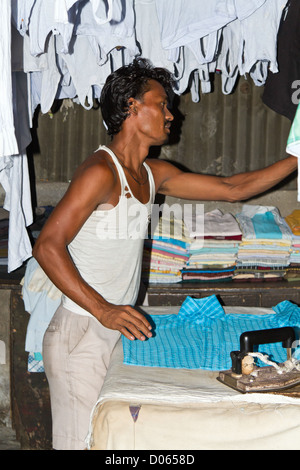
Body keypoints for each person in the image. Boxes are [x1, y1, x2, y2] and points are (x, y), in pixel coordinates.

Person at [32, 58, 297, 450]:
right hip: (81, 332)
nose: (171, 115)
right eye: (162, 104)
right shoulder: (100, 172)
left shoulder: (151, 172)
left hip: (112, 328)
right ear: (131, 107)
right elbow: (47, 246)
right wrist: (104, 309)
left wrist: (297, 155)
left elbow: (233, 188)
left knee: (106, 443)